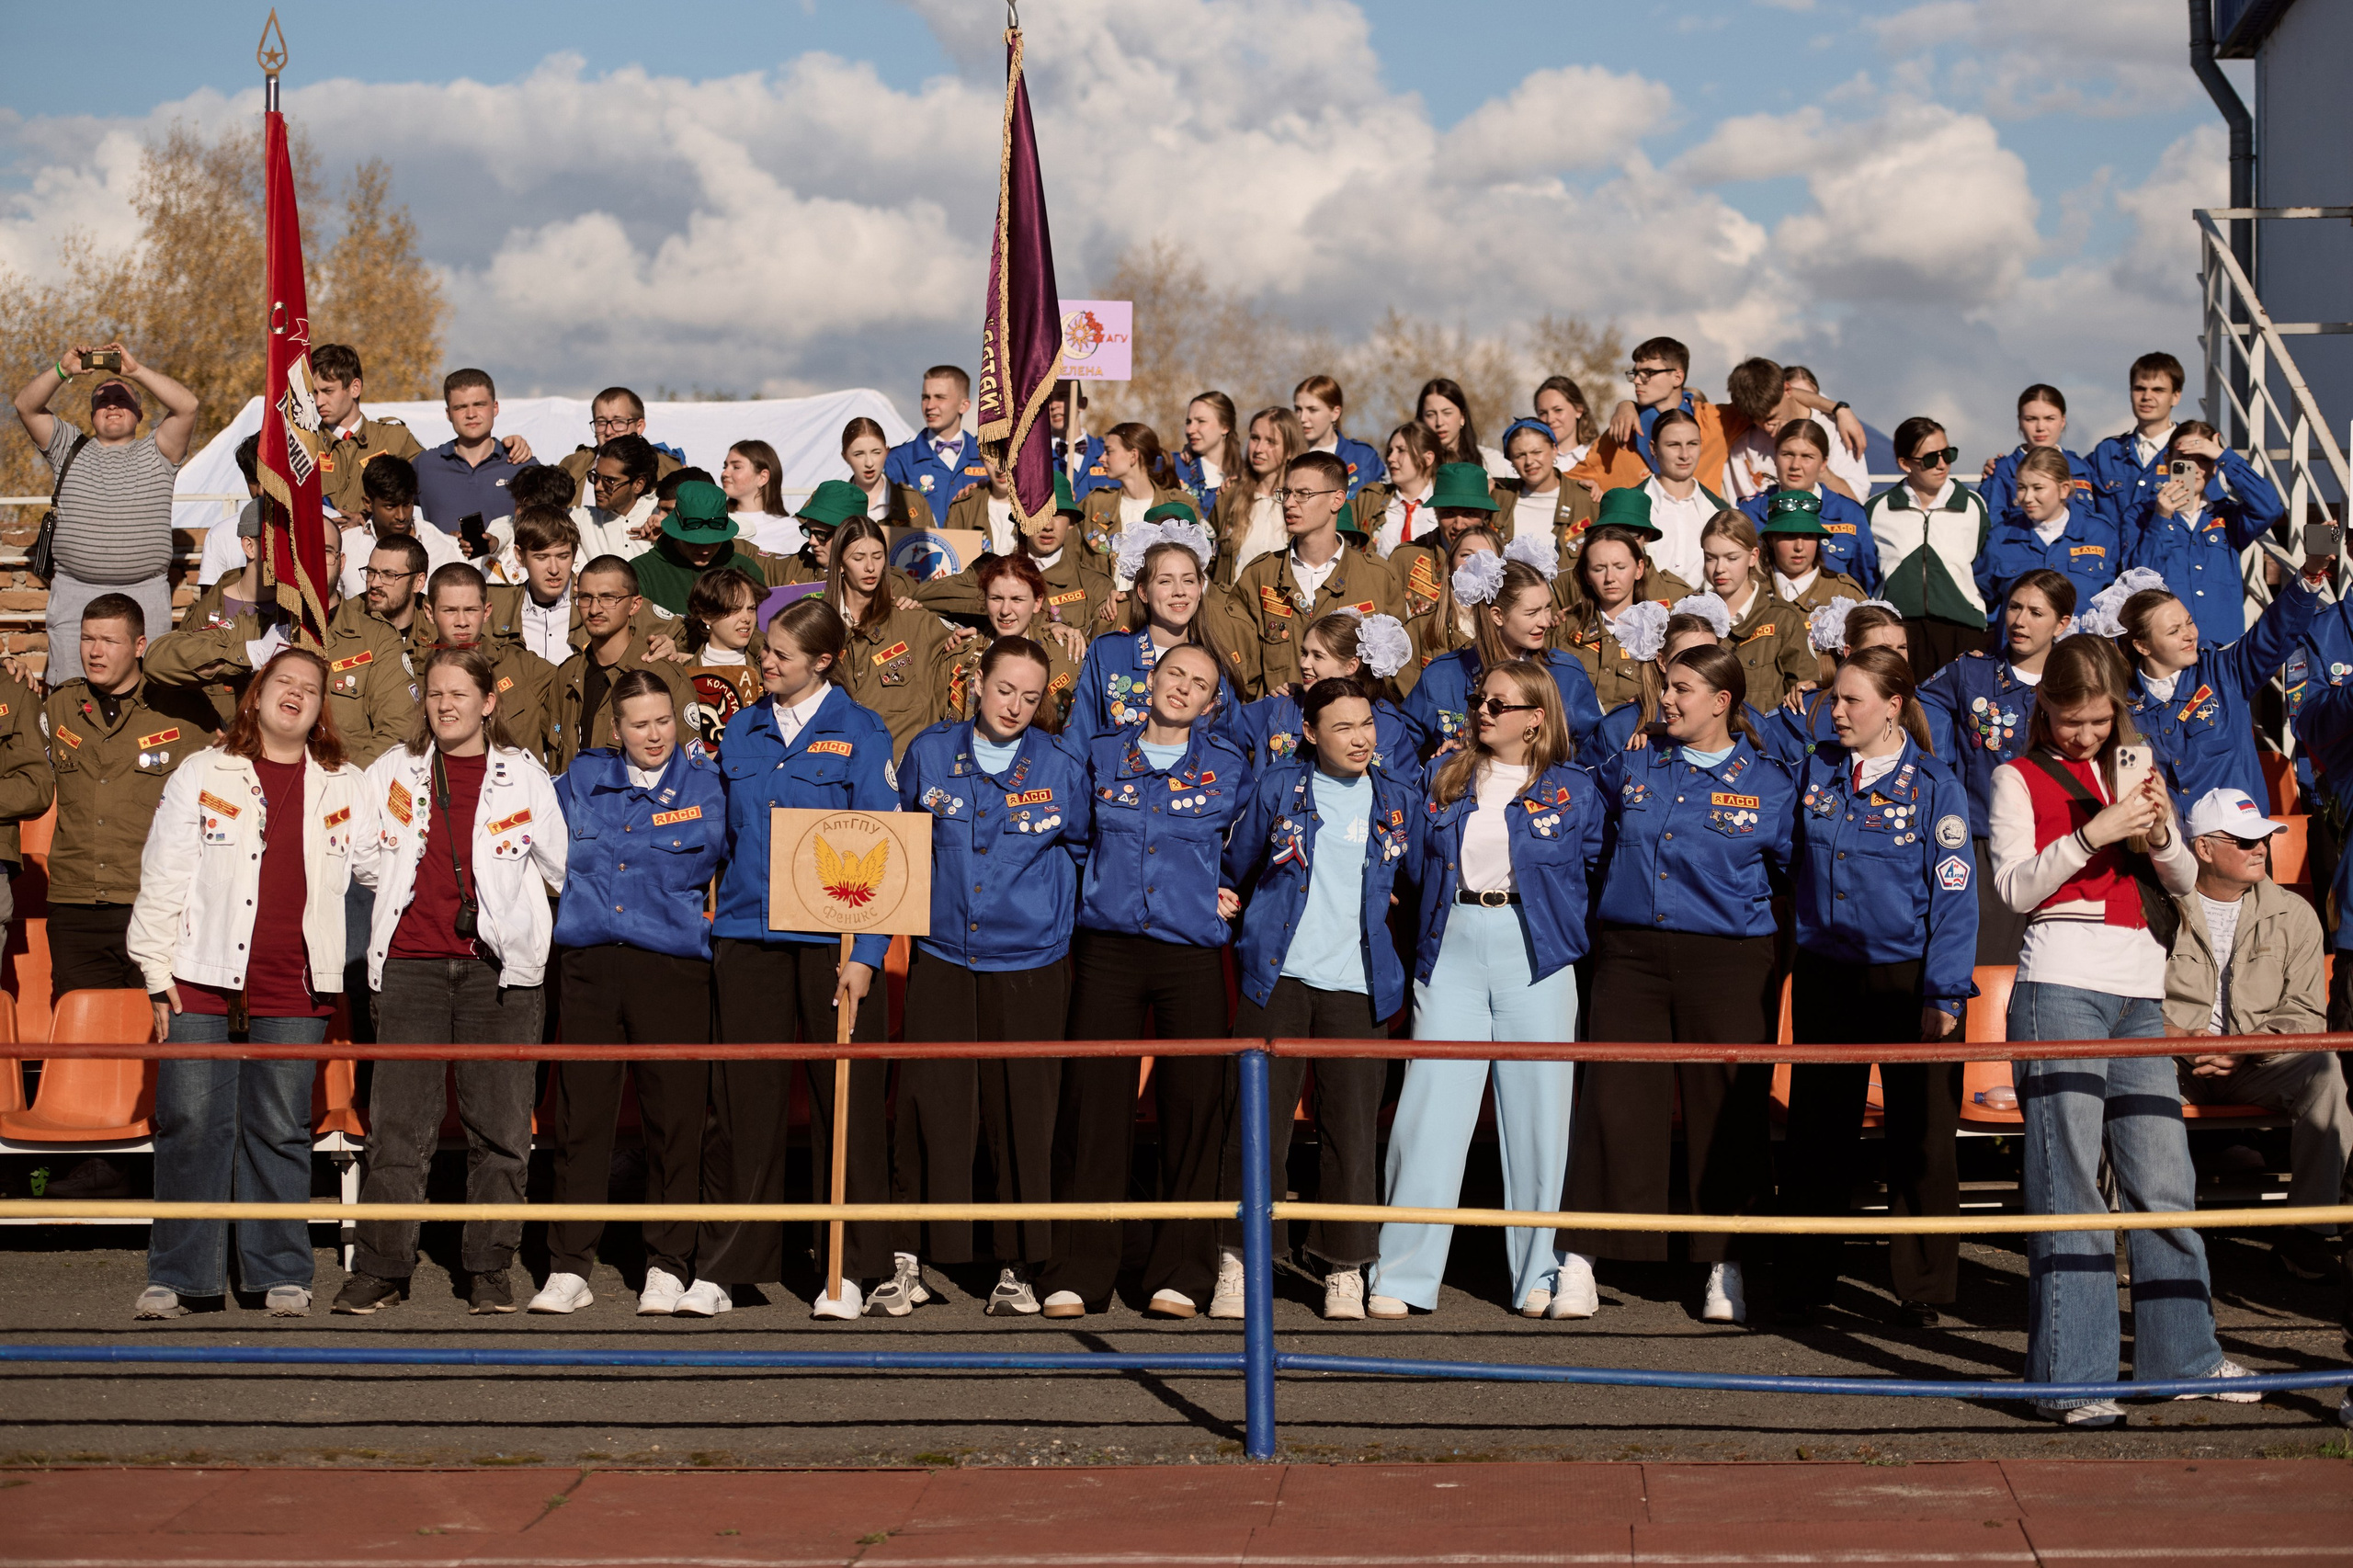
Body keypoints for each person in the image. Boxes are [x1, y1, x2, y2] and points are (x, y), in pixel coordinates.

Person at [1989, 635, 2256, 1425]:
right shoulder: (2016, 776)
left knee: (2164, 1180)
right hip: (2060, 983)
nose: (2084, 736)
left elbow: (2181, 881)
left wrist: (2161, 832)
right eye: (2071, 720)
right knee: (2069, 1185)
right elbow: (2011, 888)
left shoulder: (2135, 765)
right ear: (2044, 706)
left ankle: (2185, 1355)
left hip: (2141, 987)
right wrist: (2094, 833)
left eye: (2100, 721)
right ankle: (2075, 1380)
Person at [125, 649, 368, 1320]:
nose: (295, 694)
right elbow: (164, 873)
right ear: (256, 696)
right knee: (191, 1123)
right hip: (199, 976)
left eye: (310, 689)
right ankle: (180, 1276)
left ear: (321, 709)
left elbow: (380, 869)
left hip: (297, 980)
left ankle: (278, 1273)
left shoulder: (346, 783)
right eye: (283, 683)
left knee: (280, 1126)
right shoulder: (203, 772)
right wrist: (153, 971)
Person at [335, 644, 568, 1316]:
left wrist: (511, 918)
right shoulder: (394, 769)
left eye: (458, 694)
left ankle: (488, 1267)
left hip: (499, 974)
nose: (444, 704)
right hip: (409, 966)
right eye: (434, 694)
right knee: (399, 1126)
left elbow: (557, 868)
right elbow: (366, 859)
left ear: (488, 702)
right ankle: (382, 1266)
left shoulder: (524, 776)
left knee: (498, 1126)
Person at [1566, 644, 1795, 1324]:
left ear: (1723, 702)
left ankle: (1724, 1262)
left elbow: (1790, 874)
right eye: (1667, 687)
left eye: (1682, 689)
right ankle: (1582, 1255)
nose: (1666, 699)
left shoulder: (1773, 782)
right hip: (1631, 954)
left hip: (1727, 959)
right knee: (1613, 1101)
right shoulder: (1634, 760)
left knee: (1724, 1111)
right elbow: (1587, 825)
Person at [1370, 661, 1598, 1320]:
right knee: (1429, 1110)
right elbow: (1412, 865)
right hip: (1453, 941)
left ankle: (1538, 1273)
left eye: (1499, 703)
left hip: (1536, 948)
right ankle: (1405, 1272)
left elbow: (1596, 866)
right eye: (1479, 700)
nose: (1483, 711)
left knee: (1538, 1116)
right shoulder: (1442, 778)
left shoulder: (1575, 789)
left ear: (1536, 717)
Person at [694, 598, 899, 1320]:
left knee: (843, 1108)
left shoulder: (861, 732)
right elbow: (717, 838)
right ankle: (728, 1266)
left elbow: (884, 847)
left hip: (831, 944)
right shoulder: (743, 729)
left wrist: (868, 954)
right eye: (763, 650)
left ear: (823, 660)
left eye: (780, 652)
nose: (765, 661)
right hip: (748, 934)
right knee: (740, 1107)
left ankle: (847, 1267)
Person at [1039, 643, 1252, 1320]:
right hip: (1108, 948)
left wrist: (1228, 888)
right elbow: (1072, 841)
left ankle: (1181, 1273)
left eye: (1200, 684)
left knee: (1193, 1109)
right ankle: (1081, 1267)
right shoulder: (1099, 755)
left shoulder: (1229, 766)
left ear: (1213, 703)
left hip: (1190, 952)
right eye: (1175, 676)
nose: (1184, 689)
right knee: (1093, 1107)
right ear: (1149, 682)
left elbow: (1247, 850)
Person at [1778, 647, 1977, 1326]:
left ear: (1893, 706)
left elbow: (1955, 899)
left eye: (1850, 700)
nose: (1835, 711)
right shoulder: (1817, 769)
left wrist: (1944, 994)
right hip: (1827, 974)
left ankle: (1924, 1291)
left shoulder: (1935, 785)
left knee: (1921, 1139)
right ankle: (1804, 1281)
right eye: (1833, 699)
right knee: (1817, 1132)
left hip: (1908, 979)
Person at [894, 636, 1089, 1315]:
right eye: (1005, 689)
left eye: (1031, 697)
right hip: (944, 955)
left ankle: (1018, 1266)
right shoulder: (927, 753)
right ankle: (911, 1258)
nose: (1015, 706)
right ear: (976, 683)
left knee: (1023, 1118)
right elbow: (905, 847)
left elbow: (1084, 848)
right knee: (931, 1107)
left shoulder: (1062, 765)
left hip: (1031, 961)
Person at [1222, 675, 1421, 1321]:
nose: (1360, 737)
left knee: (1352, 1134)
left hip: (1359, 985)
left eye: (1366, 723)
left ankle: (1344, 1268)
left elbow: (1417, 881)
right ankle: (1241, 1261)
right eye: (1342, 726)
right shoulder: (1280, 785)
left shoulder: (1396, 798)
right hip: (1277, 977)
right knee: (1257, 1128)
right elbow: (1239, 866)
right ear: (1310, 733)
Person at [531, 669, 726, 1316]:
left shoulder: (708, 786)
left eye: (663, 721)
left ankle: (668, 1263)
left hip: (671, 969)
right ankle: (568, 1265)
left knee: (674, 1120)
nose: (653, 735)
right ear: (615, 731)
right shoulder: (580, 780)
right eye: (639, 724)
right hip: (589, 965)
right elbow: (525, 840)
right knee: (581, 1118)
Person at [2163, 786, 2347, 1283]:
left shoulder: (2295, 913)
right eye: (2244, 841)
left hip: (2257, 1065)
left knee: (2326, 1072)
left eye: (2262, 838)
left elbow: (2308, 1015)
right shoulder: (2160, 908)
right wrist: (2179, 1037)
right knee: (2125, 1073)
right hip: (2171, 1060)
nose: (2259, 848)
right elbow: (2124, 1003)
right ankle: (2134, 1231)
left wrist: (2244, 1049)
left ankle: (2307, 1234)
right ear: (2202, 848)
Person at [42, 596, 221, 999]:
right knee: (84, 1038)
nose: (95, 651)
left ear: (140, 646)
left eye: (110, 640)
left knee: (162, 1033)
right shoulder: (59, 707)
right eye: (87, 638)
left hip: (154, 902)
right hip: (75, 907)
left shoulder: (184, 711)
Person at [143, 532, 413, 767]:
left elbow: (400, 730)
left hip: (344, 795)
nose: (312, 562)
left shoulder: (375, 637)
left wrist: (344, 783)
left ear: (341, 563)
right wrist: (253, 653)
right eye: (301, 553)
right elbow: (158, 661)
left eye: (325, 552)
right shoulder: (257, 626)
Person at [1916, 570, 2075, 965]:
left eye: (2036, 612)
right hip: (1985, 844)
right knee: (1988, 963)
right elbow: (1922, 710)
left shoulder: (2077, 681)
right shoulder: (1970, 672)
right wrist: (1945, 775)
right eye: (2015, 607)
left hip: (2060, 843)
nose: (2020, 621)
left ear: (2063, 623)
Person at [13, 343, 199, 682]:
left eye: (123, 400)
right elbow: (25, 405)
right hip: (74, 594)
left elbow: (187, 406)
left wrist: (134, 371)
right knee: (70, 696)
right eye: (102, 401)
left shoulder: (160, 449)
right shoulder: (67, 446)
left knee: (147, 694)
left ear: (140, 414)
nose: (112, 405)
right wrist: (63, 369)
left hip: (145, 593)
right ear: (92, 414)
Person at [2114, 554, 2324, 810]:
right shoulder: (2123, 703)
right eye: (2173, 631)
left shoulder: (2223, 671)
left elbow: (2273, 632)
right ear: (2142, 646)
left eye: (2189, 622)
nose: (2189, 635)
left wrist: (2310, 573)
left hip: (2239, 842)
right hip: (2169, 844)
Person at [1232, 453, 1408, 695]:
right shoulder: (1259, 576)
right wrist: (1265, 709)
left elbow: (1396, 677)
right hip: (1278, 727)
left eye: (1303, 494)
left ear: (1337, 500)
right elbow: (1239, 676)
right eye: (1286, 493)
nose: (1289, 503)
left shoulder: (1377, 578)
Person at [1404, 541, 1604, 755]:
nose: (1545, 621)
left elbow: (1595, 755)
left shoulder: (1567, 675)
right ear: (1497, 616)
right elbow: (1398, 749)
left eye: (1547, 608)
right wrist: (1441, 767)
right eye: (1532, 613)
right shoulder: (1443, 676)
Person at [1067, 525, 1245, 746]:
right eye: (1165, 581)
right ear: (1142, 592)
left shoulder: (1214, 667)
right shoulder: (1108, 653)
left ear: (1200, 588)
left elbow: (1229, 755)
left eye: (1188, 580)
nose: (1179, 591)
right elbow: (1078, 739)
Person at [2123, 420, 2284, 646]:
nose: (2195, 468)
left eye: (2204, 459)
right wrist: (2162, 518)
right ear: (2168, 462)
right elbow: (2139, 578)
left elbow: (2270, 507)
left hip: (2222, 646)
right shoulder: (2140, 514)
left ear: (2214, 466)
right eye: (2184, 459)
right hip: (2166, 650)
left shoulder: (2226, 515)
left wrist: (2225, 456)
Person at [1866, 417, 1992, 680]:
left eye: (1947, 454)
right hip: (1895, 633)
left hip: (1962, 630)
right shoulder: (1876, 509)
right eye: (1931, 458)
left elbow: (1984, 567)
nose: (1943, 464)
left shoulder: (1974, 506)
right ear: (1904, 463)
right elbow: (1865, 571)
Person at [824, 517, 957, 755]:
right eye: (858, 558)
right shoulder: (819, 625)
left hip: (899, 767)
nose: (870, 567)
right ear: (840, 564)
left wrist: (963, 636)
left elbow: (970, 647)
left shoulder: (911, 619)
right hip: (834, 764)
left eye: (877, 556)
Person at [926, 472, 1116, 635]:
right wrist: (992, 598)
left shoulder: (1095, 585)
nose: (1047, 526)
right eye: (1038, 513)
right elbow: (925, 596)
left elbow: (1101, 649)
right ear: (1020, 519)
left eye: (1057, 514)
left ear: (1072, 522)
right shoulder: (988, 569)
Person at [549, 555, 692, 772]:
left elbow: (690, 769)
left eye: (608, 598)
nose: (595, 609)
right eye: (586, 597)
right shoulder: (567, 675)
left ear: (635, 605)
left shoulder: (663, 675)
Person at [1226, 610, 1413, 775]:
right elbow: (1220, 730)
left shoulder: (1387, 722)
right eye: (1304, 653)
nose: (1304, 664)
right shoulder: (1281, 706)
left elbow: (1408, 787)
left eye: (1317, 656)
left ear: (1351, 665)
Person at [415, 564, 560, 767]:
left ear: (486, 611)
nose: (462, 621)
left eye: (471, 610)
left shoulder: (522, 668)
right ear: (429, 613)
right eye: (450, 611)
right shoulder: (414, 675)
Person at [1567, 337, 1729, 498]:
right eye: (1636, 373)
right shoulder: (1622, 432)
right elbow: (1568, 483)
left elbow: (1752, 403)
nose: (1637, 381)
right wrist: (1585, 491)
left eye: (1648, 373)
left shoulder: (1716, 421)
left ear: (1677, 377)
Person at [943, 554, 1083, 733]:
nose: (1005, 611)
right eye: (996, 598)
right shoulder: (961, 654)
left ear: (1037, 602)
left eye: (1017, 599)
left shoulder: (1067, 655)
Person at [1559, 522, 1688, 712]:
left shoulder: (1662, 633)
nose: (1610, 577)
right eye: (1598, 568)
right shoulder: (1563, 628)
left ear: (1639, 569)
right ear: (1586, 575)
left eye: (1620, 567)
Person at [1736, 423, 1880, 593]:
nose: (1795, 465)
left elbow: (1865, 582)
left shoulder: (1849, 514)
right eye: (1787, 454)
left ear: (1823, 463)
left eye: (1807, 456)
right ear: (1775, 457)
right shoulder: (1749, 514)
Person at [1696, 511, 1817, 708]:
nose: (1719, 568)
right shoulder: (1690, 615)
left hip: (1765, 736)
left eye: (1731, 558)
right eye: (1711, 558)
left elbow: (1805, 692)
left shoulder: (1782, 618)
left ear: (1753, 557)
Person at [411, 369, 539, 547]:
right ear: (448, 413)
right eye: (460, 407)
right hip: (442, 572)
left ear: (495, 408)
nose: (471, 414)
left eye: (479, 404)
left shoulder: (521, 463)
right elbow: (388, 507)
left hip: (509, 574)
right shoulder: (425, 465)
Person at [632, 478, 792, 615]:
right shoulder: (641, 572)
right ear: (676, 530)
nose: (704, 549)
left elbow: (761, 633)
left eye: (714, 540)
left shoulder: (746, 570)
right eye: (693, 540)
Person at [310, 343, 425, 520]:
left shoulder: (395, 439)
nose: (319, 402)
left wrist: (370, 516)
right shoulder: (304, 445)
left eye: (327, 391)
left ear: (355, 388)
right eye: (314, 392)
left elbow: (429, 493)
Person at [1385, 460, 1504, 629]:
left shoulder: (1503, 559)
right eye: (1448, 513)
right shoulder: (1406, 558)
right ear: (1436, 511)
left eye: (1469, 513)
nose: (1458, 524)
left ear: (1485, 513)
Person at [335, 454, 463, 600]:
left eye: (407, 504)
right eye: (390, 506)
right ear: (368, 503)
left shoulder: (442, 548)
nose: (401, 516)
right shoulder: (345, 545)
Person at [1628, 407, 1730, 590]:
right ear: (1653, 448)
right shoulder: (1629, 508)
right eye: (1673, 445)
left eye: (1692, 444)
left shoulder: (1719, 511)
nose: (1684, 454)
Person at [2086, 352, 2192, 528]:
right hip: (2117, 556)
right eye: (2140, 389)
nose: (2146, 397)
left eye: (2158, 390)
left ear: (2176, 396)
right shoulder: (2106, 453)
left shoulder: (2191, 453)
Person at [1211, 407, 1308, 586]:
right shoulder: (1229, 495)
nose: (1259, 449)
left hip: (1285, 608)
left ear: (1289, 450)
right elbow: (1208, 561)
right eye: (1255, 438)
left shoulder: (1304, 500)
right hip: (1232, 607)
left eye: (1271, 441)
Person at [676, 568, 767, 756]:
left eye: (751, 608)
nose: (746, 618)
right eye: (734, 609)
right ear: (707, 616)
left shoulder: (770, 669)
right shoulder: (681, 675)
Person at [1978, 383, 2097, 527]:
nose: (2040, 427)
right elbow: (1992, 533)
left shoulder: (2082, 470)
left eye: (2049, 418)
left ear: (2063, 420)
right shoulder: (2001, 472)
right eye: (2031, 419)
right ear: (2020, 422)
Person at [1079, 423, 1190, 568]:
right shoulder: (1094, 503)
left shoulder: (1178, 507)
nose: (1101, 458)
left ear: (1133, 455)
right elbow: (1072, 558)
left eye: (1109, 451)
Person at [554, 387, 681, 504]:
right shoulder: (572, 465)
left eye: (618, 422)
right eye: (601, 422)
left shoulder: (669, 469)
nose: (609, 431)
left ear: (639, 426)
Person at [884, 366, 985, 511]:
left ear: (963, 406)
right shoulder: (899, 459)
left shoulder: (989, 457)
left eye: (940, 397)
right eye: (925, 397)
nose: (930, 406)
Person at [1494, 418, 1597, 557]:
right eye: (1520, 455)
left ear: (1554, 450)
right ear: (1511, 461)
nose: (1529, 461)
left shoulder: (1587, 499)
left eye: (1536, 452)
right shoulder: (1497, 498)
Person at [1404, 527, 1502, 674]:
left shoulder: (1514, 625)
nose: (1475, 563)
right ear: (1450, 565)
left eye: (1486, 556)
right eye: (1466, 554)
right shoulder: (1420, 626)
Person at [1756, 492, 1869, 615]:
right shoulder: (1749, 590)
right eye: (1789, 536)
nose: (1799, 547)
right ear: (1771, 539)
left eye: (1808, 536)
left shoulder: (1845, 594)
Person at [1291, 375, 1386, 497]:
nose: (1302, 418)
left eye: (1312, 410)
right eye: (1298, 409)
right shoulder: (1288, 456)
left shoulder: (1363, 457)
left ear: (1335, 413)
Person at [574, 434, 661, 562]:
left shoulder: (662, 516)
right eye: (596, 477)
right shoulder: (581, 519)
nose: (598, 487)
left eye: (610, 481)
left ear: (638, 485)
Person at [1365, 422, 1441, 566]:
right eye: (1390, 451)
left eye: (1401, 450)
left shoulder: (1444, 504)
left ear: (1428, 458)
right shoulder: (1372, 501)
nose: (1390, 458)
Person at [843, 416, 938, 528]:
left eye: (876, 452)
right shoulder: (834, 504)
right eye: (859, 454)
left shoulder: (914, 502)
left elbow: (933, 545)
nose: (869, 463)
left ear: (887, 452)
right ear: (845, 456)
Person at [721, 437, 800, 554]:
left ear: (763, 477)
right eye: (725, 467)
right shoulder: (715, 522)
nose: (725, 473)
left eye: (736, 467)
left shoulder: (791, 530)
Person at [1417, 377, 1507, 477]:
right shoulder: (1411, 466)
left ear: (1462, 417)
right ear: (1421, 419)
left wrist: (1497, 483)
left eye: (1447, 413)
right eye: (1431, 415)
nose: (1439, 422)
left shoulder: (1492, 461)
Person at [1174, 391, 1242, 516]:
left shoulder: (1245, 477)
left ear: (1225, 427)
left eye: (1201, 421)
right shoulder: (1172, 466)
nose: (1190, 430)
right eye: (1188, 422)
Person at [1534, 375, 1597, 471]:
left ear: (1579, 410)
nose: (1550, 419)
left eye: (1558, 410)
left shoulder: (1598, 457)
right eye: (1543, 413)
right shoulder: (1528, 462)